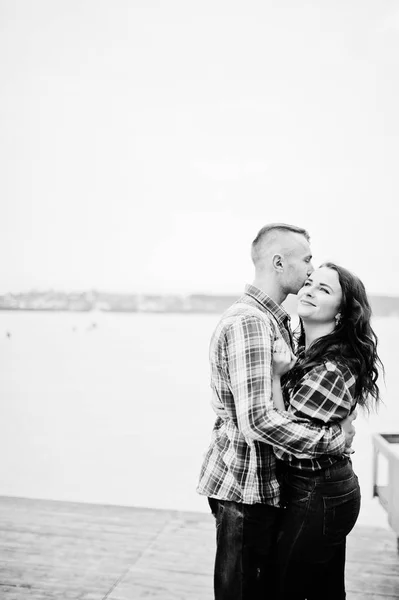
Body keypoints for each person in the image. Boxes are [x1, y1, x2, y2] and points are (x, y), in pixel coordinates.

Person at [197, 224, 357, 600]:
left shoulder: (277, 319)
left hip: (267, 488)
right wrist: (332, 439)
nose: (310, 268)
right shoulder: (251, 321)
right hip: (245, 489)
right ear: (279, 262)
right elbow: (257, 420)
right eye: (307, 259)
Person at [271, 262, 383, 600]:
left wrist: (276, 375)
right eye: (309, 283)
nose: (308, 291)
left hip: (319, 494)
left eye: (324, 289)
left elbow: (286, 441)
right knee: (324, 591)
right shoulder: (308, 352)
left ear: (341, 314)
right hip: (320, 491)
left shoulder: (332, 368)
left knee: (282, 588)